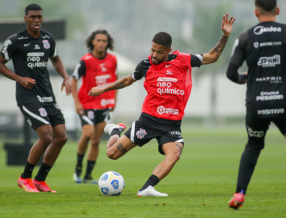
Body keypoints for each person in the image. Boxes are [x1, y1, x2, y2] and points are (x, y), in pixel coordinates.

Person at [89, 13, 236, 197]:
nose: (154, 55)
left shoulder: (183, 59)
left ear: (169, 50)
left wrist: (225, 35)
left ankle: (147, 188)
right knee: (112, 154)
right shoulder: (145, 64)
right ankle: (115, 131)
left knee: (174, 154)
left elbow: (212, 56)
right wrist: (102, 89)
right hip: (148, 121)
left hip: (171, 124)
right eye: (152, 50)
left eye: (159, 51)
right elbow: (127, 80)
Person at [226, 0, 286, 211]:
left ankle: (239, 194)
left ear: (255, 12)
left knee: (253, 145)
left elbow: (231, 72)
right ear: (277, 10)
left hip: (256, 105)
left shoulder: (245, 37)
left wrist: (244, 79)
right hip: (285, 104)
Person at [0, 4, 71, 193]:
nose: (37, 20)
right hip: (27, 96)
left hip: (47, 94)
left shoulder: (47, 39)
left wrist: (66, 77)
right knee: (46, 136)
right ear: (25, 19)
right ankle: (25, 177)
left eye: (40, 17)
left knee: (61, 137)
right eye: (33, 17)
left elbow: (56, 58)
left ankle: (40, 180)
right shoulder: (15, 40)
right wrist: (19, 79)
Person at [71, 29, 118, 184]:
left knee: (97, 141)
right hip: (87, 105)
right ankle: (78, 169)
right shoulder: (86, 60)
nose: (101, 43)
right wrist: (77, 102)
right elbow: (73, 79)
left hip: (104, 105)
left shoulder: (112, 60)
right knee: (88, 134)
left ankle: (88, 176)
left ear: (107, 43)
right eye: (98, 40)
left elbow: (115, 80)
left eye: (104, 41)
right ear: (92, 42)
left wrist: (113, 100)